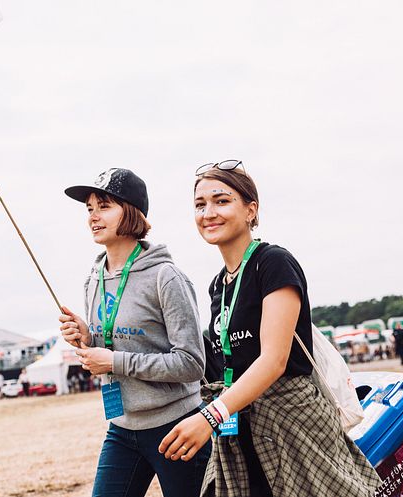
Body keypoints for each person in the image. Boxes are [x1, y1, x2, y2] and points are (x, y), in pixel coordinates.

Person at [158, 161, 380, 496]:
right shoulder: (219, 284)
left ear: (251, 210)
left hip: (292, 424)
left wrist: (210, 418)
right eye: (200, 205)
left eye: (221, 200)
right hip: (240, 425)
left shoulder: (272, 262)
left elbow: (274, 360)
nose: (209, 212)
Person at [59, 167, 210, 497]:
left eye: (104, 206)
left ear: (131, 212)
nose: (93, 217)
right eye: (89, 208)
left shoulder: (166, 277)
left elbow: (191, 364)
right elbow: (113, 343)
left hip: (178, 426)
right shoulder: (93, 278)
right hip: (122, 427)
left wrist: (114, 361)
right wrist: (87, 338)